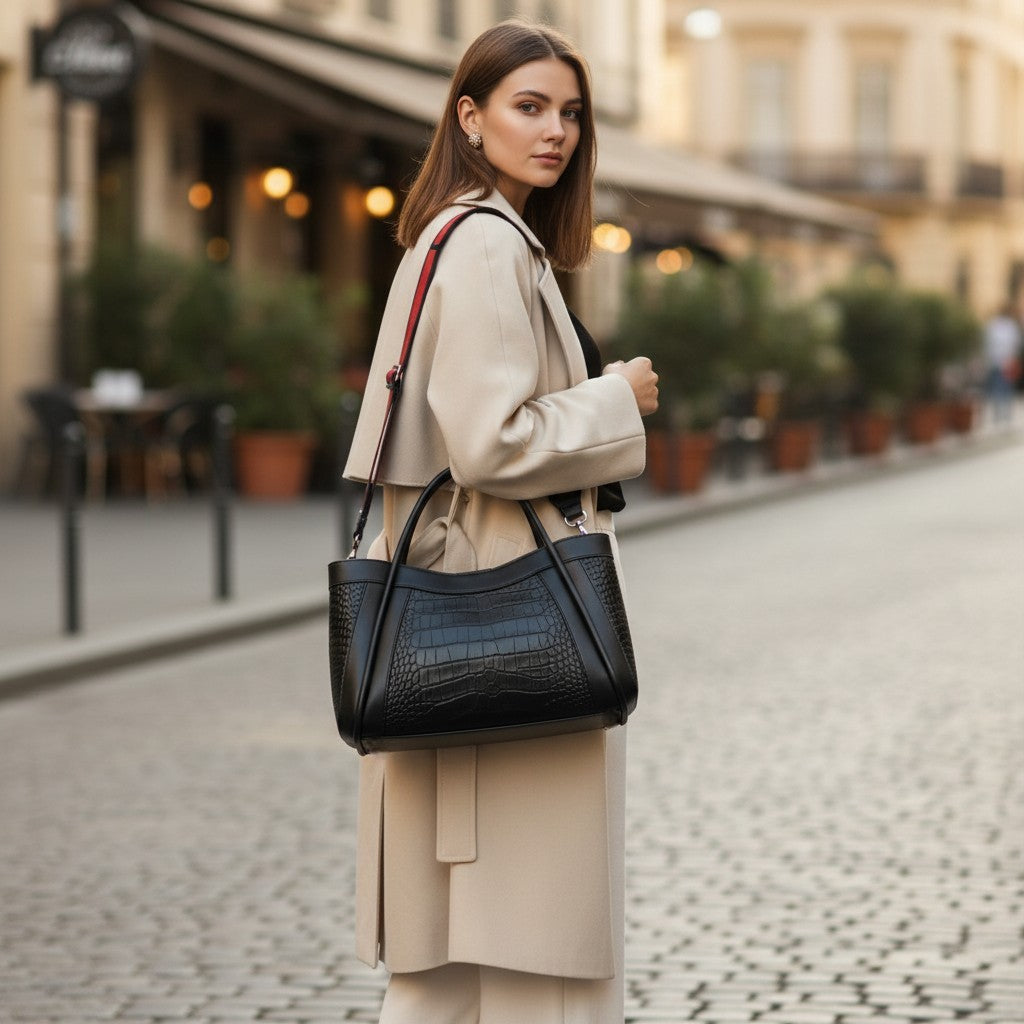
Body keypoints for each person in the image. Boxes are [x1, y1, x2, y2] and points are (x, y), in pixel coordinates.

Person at [342, 19, 659, 1024]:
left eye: (569, 111)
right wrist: (616, 398)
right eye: (529, 107)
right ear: (469, 118)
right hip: (502, 610)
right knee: (530, 956)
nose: (556, 130)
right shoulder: (483, 244)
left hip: (454, 608)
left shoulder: (463, 233)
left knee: (450, 968)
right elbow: (489, 444)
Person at [982, 302, 1022, 423]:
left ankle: (1001, 413)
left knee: (999, 386)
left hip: (998, 360)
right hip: (1004, 360)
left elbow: (987, 343)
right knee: (1003, 386)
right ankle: (1003, 413)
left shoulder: (993, 325)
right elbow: (1016, 344)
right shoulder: (1009, 327)